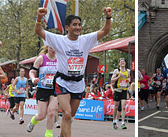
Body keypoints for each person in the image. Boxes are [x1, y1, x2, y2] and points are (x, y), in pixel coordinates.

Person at [35, 6, 112, 137]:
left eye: (79, 25)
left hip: (78, 84)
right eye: (74, 25)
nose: (78, 27)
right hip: (62, 82)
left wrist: (108, 17)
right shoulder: (59, 40)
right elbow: (39, 31)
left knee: (69, 118)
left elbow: (105, 30)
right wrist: (39, 18)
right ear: (67, 28)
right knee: (67, 113)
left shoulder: (85, 40)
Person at [25, 45, 59, 137]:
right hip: (43, 89)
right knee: (41, 115)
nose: (53, 50)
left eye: (55, 48)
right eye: (51, 48)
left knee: (51, 112)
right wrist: (33, 79)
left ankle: (48, 134)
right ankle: (33, 121)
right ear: (48, 48)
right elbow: (32, 72)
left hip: (55, 89)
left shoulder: (59, 58)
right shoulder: (41, 58)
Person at [110, 58, 130, 129]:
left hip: (124, 90)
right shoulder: (116, 71)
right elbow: (112, 80)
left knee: (123, 107)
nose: (122, 63)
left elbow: (128, 79)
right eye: (121, 62)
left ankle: (123, 123)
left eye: (123, 61)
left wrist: (128, 81)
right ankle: (114, 121)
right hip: (117, 90)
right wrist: (119, 76)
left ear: (125, 63)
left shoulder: (128, 71)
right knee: (116, 106)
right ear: (119, 64)